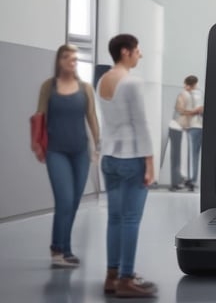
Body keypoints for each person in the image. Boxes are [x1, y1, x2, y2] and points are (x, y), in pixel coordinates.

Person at [98, 34, 157, 298]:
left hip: (109, 157)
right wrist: (150, 162)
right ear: (126, 52)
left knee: (114, 218)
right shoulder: (132, 82)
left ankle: (112, 276)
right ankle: (126, 278)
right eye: (137, 50)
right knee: (131, 219)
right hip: (131, 158)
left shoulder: (102, 81)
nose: (140, 55)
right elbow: (141, 124)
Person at [33, 44, 100, 269]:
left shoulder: (85, 88)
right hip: (56, 152)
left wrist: (98, 145)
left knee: (72, 203)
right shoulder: (48, 87)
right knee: (63, 200)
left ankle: (66, 249)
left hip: (81, 152)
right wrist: (37, 144)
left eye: (74, 58)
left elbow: (91, 117)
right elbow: (39, 116)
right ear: (59, 61)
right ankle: (57, 248)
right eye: (67, 57)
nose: (72, 61)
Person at [179, 75, 204, 190]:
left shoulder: (193, 95)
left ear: (189, 85)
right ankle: (192, 180)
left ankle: (192, 181)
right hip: (197, 126)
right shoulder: (198, 94)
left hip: (195, 126)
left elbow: (196, 110)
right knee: (194, 155)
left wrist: (190, 112)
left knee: (193, 155)